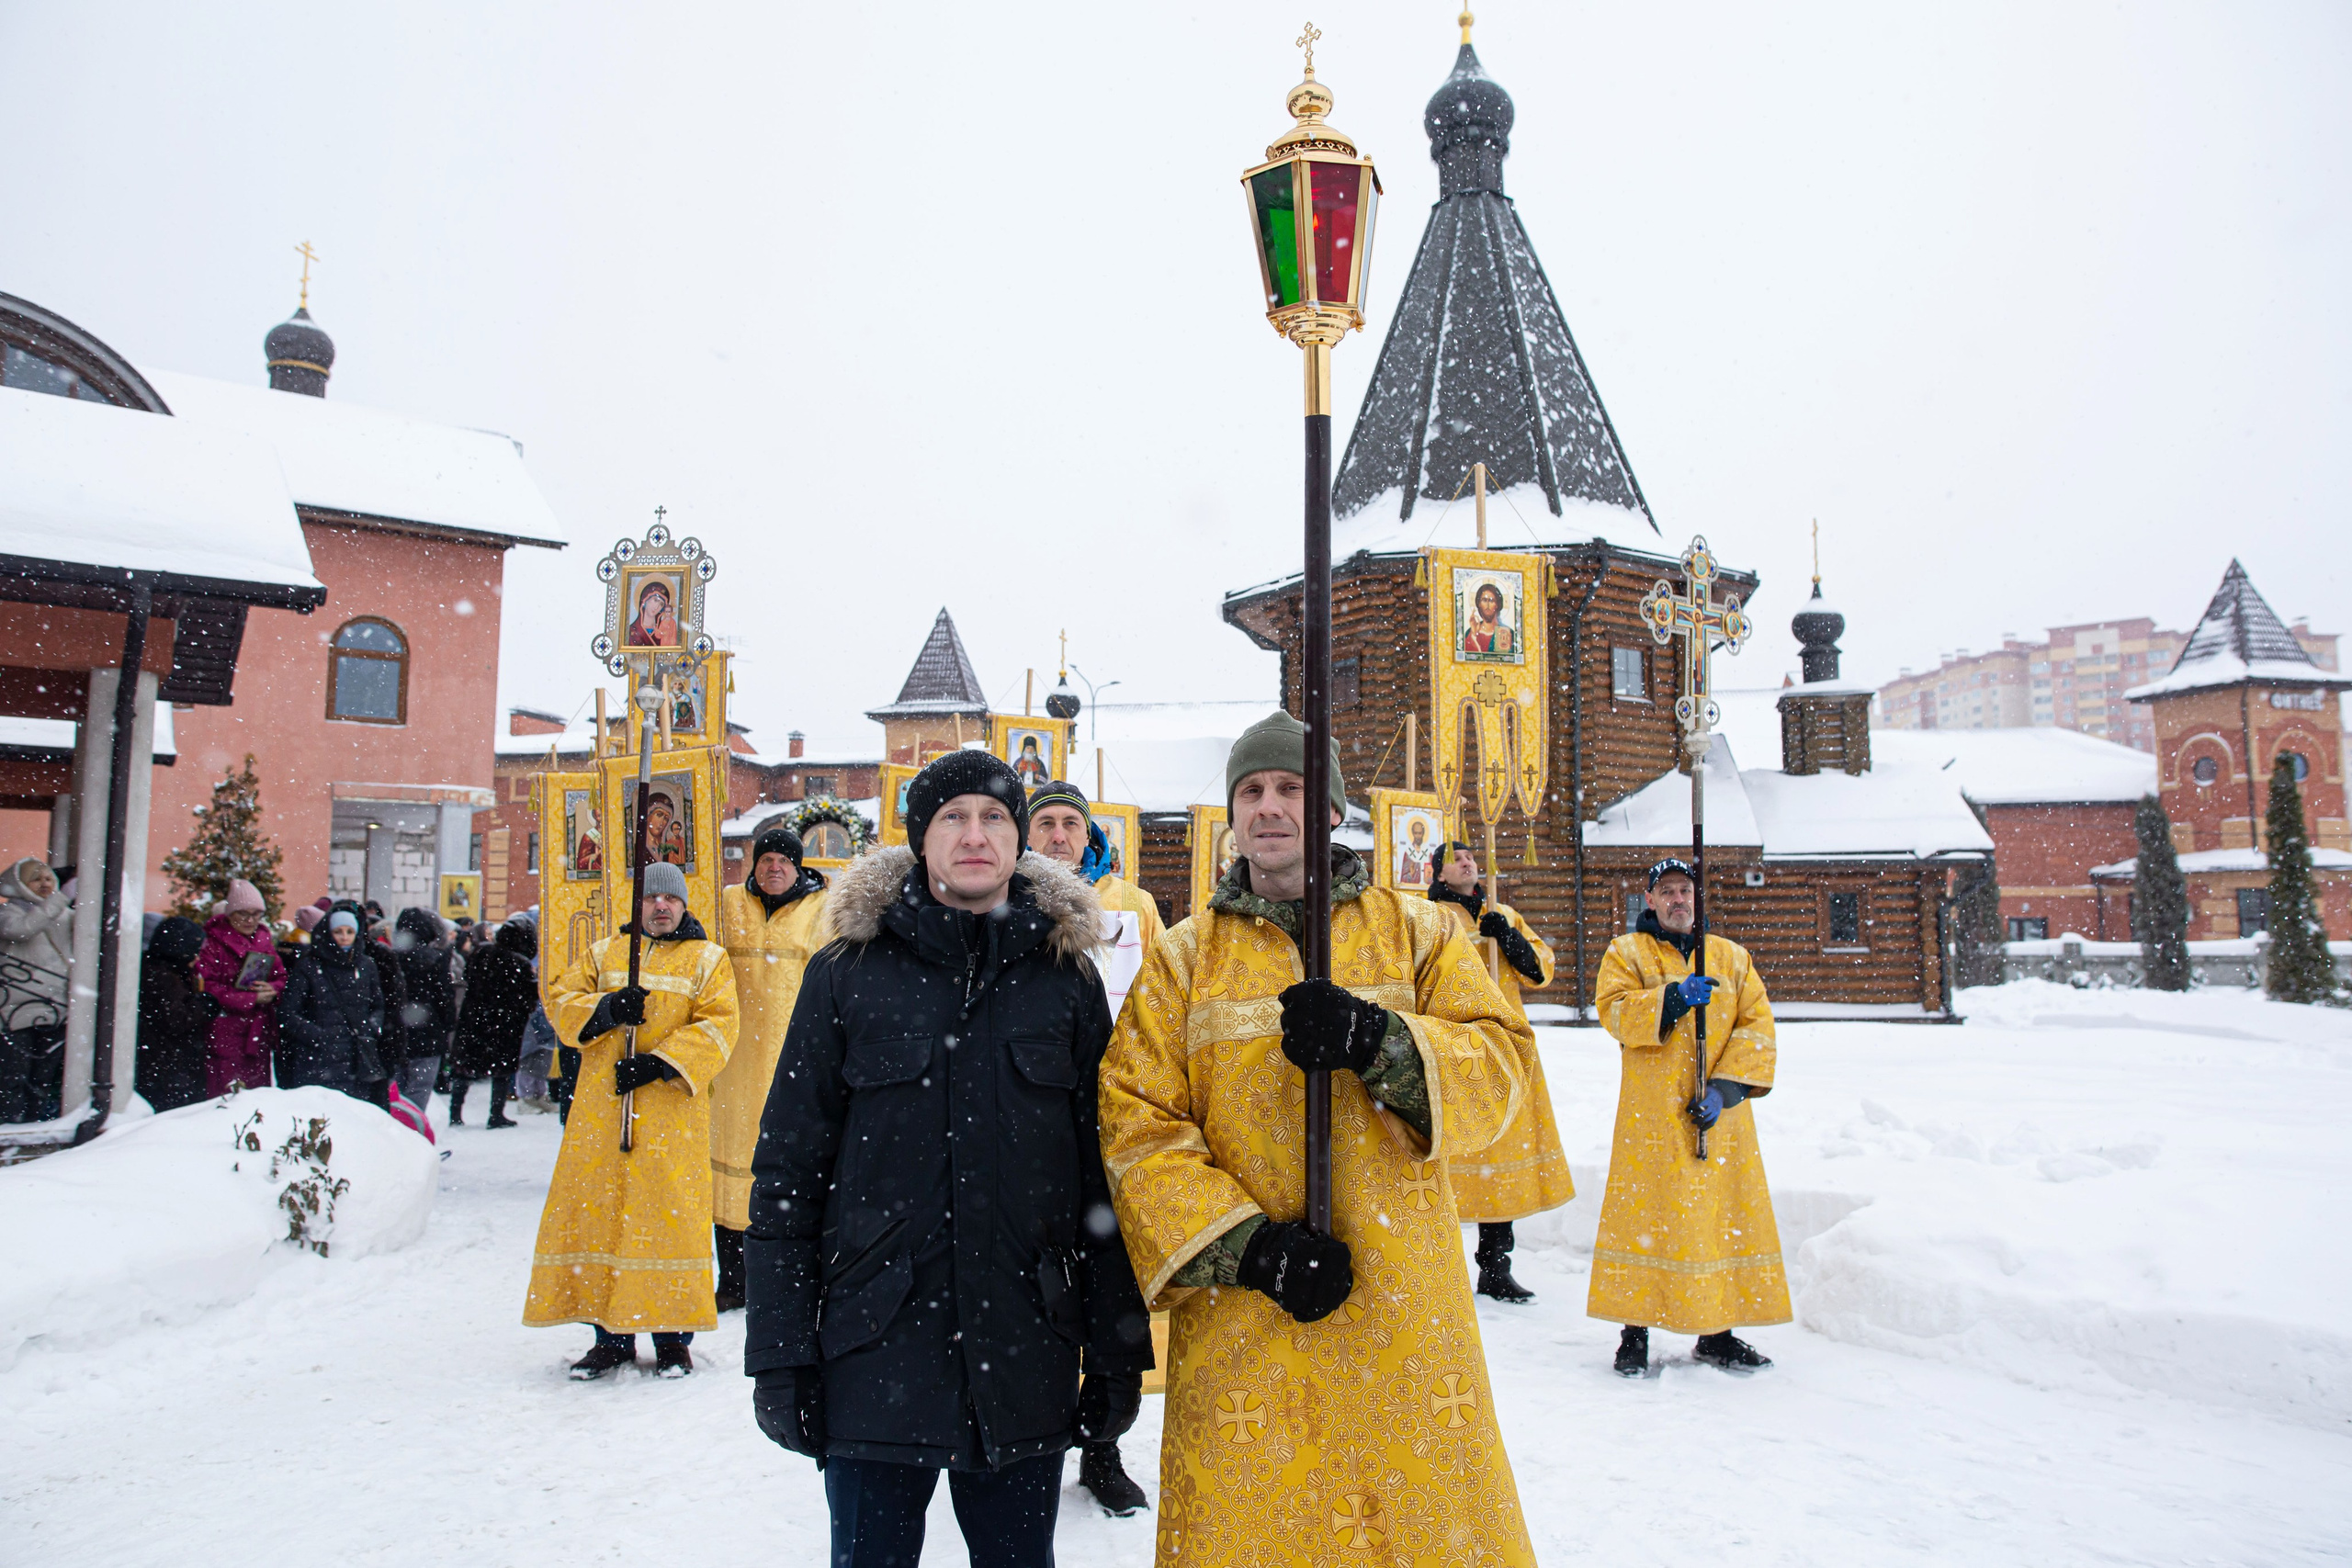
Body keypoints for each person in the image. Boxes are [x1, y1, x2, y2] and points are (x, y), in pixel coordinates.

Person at [1099, 710, 1541, 1566]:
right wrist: (1252, 1250)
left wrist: (1382, 1043)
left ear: (1330, 810)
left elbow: (1500, 1068)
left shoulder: (1419, 932)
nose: (1269, 806)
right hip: (1246, 1312)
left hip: (1401, 1303)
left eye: (1291, 788)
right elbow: (1135, 1120)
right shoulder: (1184, 960)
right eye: (1252, 790)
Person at [746, 750, 1152, 1568]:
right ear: (920, 840)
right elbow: (787, 1174)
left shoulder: (1066, 980)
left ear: (1018, 839)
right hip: (876, 1346)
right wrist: (782, 1352)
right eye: (953, 818)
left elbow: (1104, 1173)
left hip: (1026, 1346)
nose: (976, 834)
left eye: (995, 816)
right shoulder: (844, 976)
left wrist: (1114, 1348)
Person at [526, 861, 738, 1380]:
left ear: (684, 905)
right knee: (605, 1216)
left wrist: (659, 1063)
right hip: (604, 1113)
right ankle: (610, 1336)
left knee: (667, 1222)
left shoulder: (708, 959)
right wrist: (607, 1009)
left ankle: (672, 1341)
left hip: (671, 1115)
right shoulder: (604, 954)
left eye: (669, 900)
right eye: (650, 899)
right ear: (637, 905)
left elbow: (721, 1023)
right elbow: (561, 1000)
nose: (660, 907)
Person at [1022, 780, 1160, 1517]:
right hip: (1038, 1121)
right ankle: (1032, 1439)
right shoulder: (1008, 907)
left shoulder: (1132, 907)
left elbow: (1166, 997)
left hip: (1120, 1120)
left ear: (1089, 835)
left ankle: (1104, 1442)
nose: (1058, 835)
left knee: (1114, 1289)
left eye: (1070, 822)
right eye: (1044, 822)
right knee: (1035, 1292)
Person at [1590, 856, 1787, 1377]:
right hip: (1651, 1119)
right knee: (1645, 1219)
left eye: (1686, 890)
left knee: (1714, 1220)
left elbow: (1757, 1025)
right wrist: (1672, 999)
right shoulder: (1625, 953)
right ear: (1650, 900)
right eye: (1668, 891)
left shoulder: (1731, 958)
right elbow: (1613, 1013)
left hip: (1717, 1121)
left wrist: (1725, 1090)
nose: (1679, 900)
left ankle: (1717, 1333)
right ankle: (1634, 1333)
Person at [1425, 840, 1574, 1303]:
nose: (1469, 863)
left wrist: (1506, 937)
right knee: (1445, 1160)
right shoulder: (1428, 917)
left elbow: (1539, 971)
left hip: (1503, 1048)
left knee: (1499, 1159)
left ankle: (1495, 1267)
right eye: (1457, 859)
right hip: (1450, 1047)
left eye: (1472, 857)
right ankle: (1437, 1270)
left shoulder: (1502, 913)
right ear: (1439, 873)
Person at [708, 825, 829, 1314]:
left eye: (784, 860)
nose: (774, 868)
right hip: (732, 1069)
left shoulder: (822, 911)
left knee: (790, 1178)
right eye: (765, 860)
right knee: (727, 1179)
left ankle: (787, 1284)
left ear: (797, 867)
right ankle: (733, 1281)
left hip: (795, 1064)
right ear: (752, 865)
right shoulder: (726, 905)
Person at [276, 909, 390, 1102]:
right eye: (338, 932)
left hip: (357, 1057)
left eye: (349, 932)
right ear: (328, 933)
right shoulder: (309, 966)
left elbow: (377, 1004)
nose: (344, 937)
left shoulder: (366, 965)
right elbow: (288, 1013)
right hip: (317, 1060)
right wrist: (320, 1036)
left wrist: (370, 1028)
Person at [0, 857, 74, 1122]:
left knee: (43, 1077)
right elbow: (21, 930)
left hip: (57, 1006)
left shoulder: (62, 912)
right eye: (36, 878)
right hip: (17, 1008)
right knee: (13, 1076)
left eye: (48, 878)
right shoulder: (10, 912)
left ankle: (33, 1125)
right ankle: (10, 1130)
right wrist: (61, 900)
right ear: (19, 884)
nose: (44, 883)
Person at [195, 880, 285, 1095]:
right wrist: (250, 1000)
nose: (250, 920)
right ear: (230, 914)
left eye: (256, 914)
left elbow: (281, 977)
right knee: (225, 1097)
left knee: (256, 1100)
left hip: (257, 1033)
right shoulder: (212, 944)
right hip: (225, 1032)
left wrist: (272, 990)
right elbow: (207, 986)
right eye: (243, 913)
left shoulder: (265, 942)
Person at [448, 919, 538, 1127]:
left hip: (474, 1018)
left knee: (465, 1067)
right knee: (502, 1070)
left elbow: (469, 979)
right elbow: (528, 997)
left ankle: (455, 1113)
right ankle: (496, 1114)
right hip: (505, 1024)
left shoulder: (480, 954)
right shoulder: (520, 963)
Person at [137, 916, 220, 1111]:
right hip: (167, 1065)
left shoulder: (161, 970)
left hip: (164, 1062)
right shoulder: (163, 977)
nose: (197, 958)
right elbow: (176, 1019)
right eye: (194, 951)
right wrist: (204, 1006)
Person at [390, 908, 457, 1122]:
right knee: (420, 1088)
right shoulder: (435, 959)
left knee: (397, 1088)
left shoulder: (391, 957)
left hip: (397, 1032)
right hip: (428, 1032)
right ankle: (413, 1132)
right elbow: (444, 997)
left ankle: (395, 1133)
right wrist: (448, 1024)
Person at [1462, 580, 1515, 657]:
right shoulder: (1469, 633)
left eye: (1491, 600)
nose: (1487, 604)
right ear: (1479, 604)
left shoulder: (1508, 632)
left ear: (1497, 604)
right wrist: (1473, 635)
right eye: (1484, 600)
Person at [627, 578, 677, 647]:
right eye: (655, 600)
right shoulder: (631, 631)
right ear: (645, 600)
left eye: (661, 604)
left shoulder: (664, 628)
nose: (656, 607)